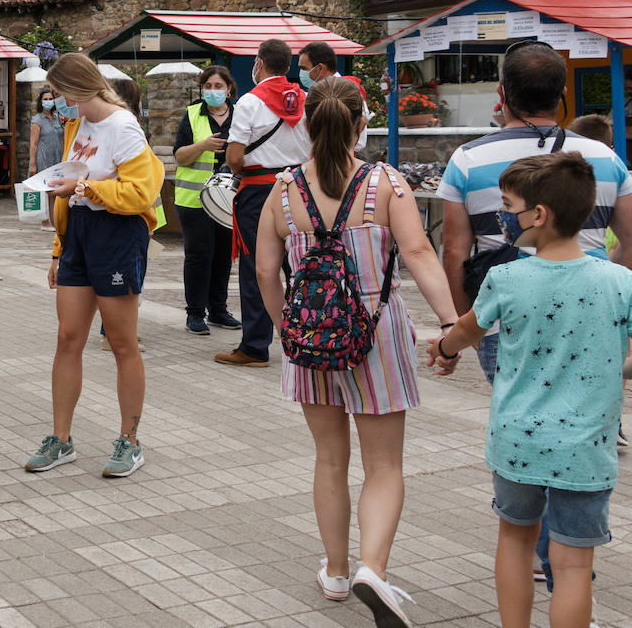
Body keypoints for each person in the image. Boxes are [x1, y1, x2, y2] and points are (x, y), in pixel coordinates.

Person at [257, 77, 458, 627]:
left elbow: (263, 270)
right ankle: (375, 567)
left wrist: (288, 331)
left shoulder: (283, 189)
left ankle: (340, 572)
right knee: (384, 464)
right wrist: (448, 325)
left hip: (310, 338)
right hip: (376, 332)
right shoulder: (385, 182)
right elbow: (417, 251)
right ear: (359, 123)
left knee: (328, 458)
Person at [438, 39, 632, 588]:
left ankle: (543, 546)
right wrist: (608, 284)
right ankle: (567, 553)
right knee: (580, 416)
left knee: (525, 413)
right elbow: (630, 239)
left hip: (503, 314)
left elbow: (454, 249)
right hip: (592, 313)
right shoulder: (605, 159)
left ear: (502, 94)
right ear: (563, 94)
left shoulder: (468, 160)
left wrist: (461, 325)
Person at [427, 152, 629, 628]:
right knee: (575, 564)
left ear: (538, 215)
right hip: (586, 451)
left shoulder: (506, 277)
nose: (504, 216)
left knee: (516, 543)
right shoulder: (620, 283)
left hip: (518, 443)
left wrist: (443, 348)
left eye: (508, 206)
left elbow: (465, 332)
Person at [23, 53, 163, 478]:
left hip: (117, 235)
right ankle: (61, 440)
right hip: (80, 233)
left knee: (123, 343)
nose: (56, 101)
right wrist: (57, 249)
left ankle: (130, 441)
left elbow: (140, 193)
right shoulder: (76, 124)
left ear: (78, 89)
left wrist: (84, 186)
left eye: (60, 93)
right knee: (68, 338)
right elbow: (70, 184)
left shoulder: (123, 125)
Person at [219, 38, 311, 367]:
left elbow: (234, 156)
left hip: (259, 190)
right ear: (288, 66)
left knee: (257, 266)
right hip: (300, 188)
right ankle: (309, 336)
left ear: (259, 63)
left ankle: (256, 346)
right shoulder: (306, 98)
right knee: (299, 264)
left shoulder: (250, 101)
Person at [172, 65, 240, 335]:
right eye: (208, 86)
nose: (213, 91)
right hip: (194, 200)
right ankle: (195, 313)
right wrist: (203, 146)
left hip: (228, 200)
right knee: (199, 256)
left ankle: (219, 310)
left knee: (224, 257)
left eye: (218, 86)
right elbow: (179, 156)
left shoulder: (240, 115)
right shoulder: (192, 115)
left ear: (229, 89)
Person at [297, 41, 370, 152]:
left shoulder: (350, 91)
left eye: (304, 68)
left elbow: (360, 142)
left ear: (319, 68)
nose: (302, 73)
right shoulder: (312, 94)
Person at [29, 88, 65, 231]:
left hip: (56, 158)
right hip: (43, 158)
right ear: (40, 101)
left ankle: (53, 220)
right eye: (45, 99)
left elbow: (61, 137)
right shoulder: (37, 120)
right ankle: (44, 221)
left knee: (53, 191)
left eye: (51, 99)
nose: (48, 102)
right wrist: (33, 164)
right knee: (43, 190)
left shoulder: (57, 118)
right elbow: (33, 143)